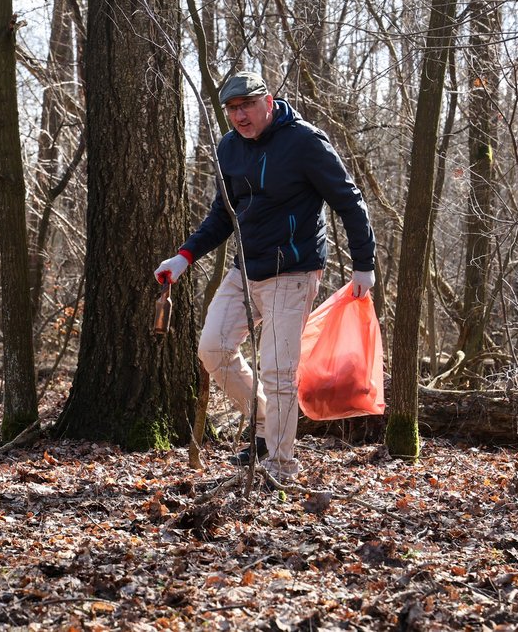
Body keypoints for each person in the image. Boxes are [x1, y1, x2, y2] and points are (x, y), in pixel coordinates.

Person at [154, 71, 376, 482]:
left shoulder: (305, 142)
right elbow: (223, 216)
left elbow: (349, 200)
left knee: (278, 371)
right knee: (213, 348)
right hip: (245, 268)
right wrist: (184, 257)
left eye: (247, 106)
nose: (240, 116)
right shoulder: (229, 148)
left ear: (268, 102)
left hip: (292, 271)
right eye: (232, 109)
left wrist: (364, 264)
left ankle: (280, 466)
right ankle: (263, 423)